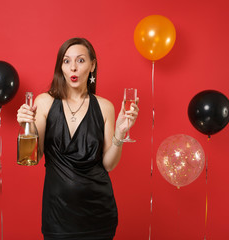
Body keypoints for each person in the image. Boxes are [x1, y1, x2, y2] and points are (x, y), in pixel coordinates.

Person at [17, 37, 139, 240]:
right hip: (57, 216)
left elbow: (108, 165)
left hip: (99, 215)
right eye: (66, 61)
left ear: (92, 65)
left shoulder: (105, 106)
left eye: (81, 60)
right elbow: (32, 158)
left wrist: (120, 132)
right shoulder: (44, 102)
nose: (73, 67)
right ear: (61, 67)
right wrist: (26, 126)